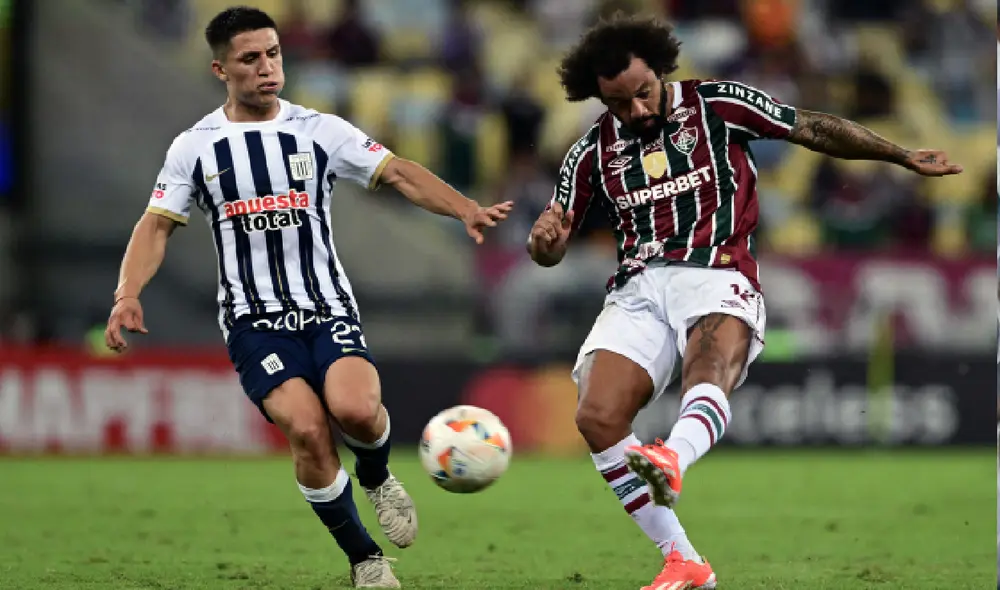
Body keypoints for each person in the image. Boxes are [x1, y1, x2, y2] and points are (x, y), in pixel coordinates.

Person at [527, 14, 962, 590]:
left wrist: (900, 155)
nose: (636, 110)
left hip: (716, 270)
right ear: (598, 97)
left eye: (643, 93)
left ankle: (673, 457)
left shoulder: (717, 103)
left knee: (707, 368)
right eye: (618, 103)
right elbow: (551, 243)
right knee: (597, 416)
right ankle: (684, 561)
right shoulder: (589, 153)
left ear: (661, 71)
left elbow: (810, 127)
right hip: (637, 289)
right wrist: (544, 245)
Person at [104, 7, 512, 588]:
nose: (267, 67)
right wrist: (127, 294)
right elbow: (157, 224)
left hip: (326, 307)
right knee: (306, 429)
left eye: (273, 53)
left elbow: (397, 173)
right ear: (221, 69)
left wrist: (464, 207)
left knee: (355, 412)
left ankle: (375, 474)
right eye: (251, 58)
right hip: (253, 322)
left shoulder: (321, 130)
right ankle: (365, 560)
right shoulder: (194, 148)